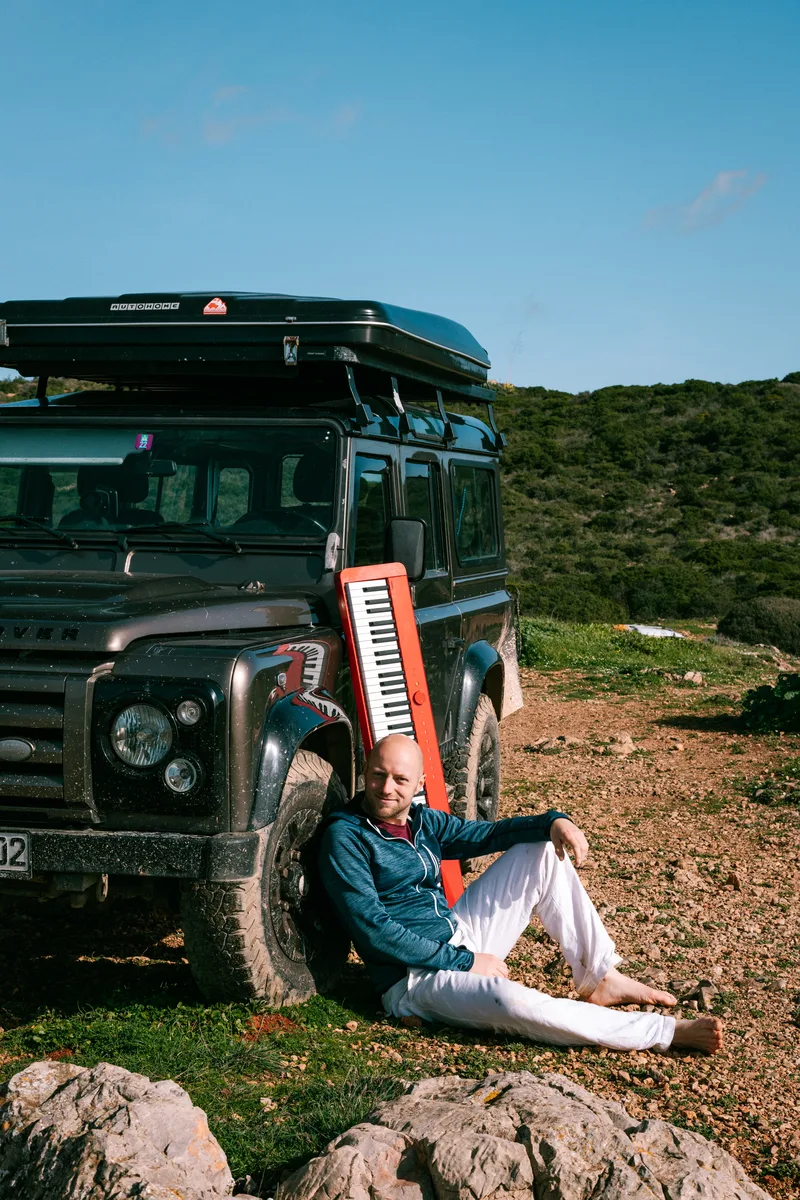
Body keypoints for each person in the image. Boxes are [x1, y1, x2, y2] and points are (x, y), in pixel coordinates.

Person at [318, 733, 723, 1054]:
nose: (385, 788)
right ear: (366, 772)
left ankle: (601, 976)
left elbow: (489, 834)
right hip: (412, 980)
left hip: (458, 935)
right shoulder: (346, 835)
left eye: (400, 779)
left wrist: (554, 821)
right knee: (513, 1003)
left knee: (540, 849)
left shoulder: (424, 822)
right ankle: (663, 1032)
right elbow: (374, 930)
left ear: (418, 785)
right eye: (377, 775)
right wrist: (463, 961)